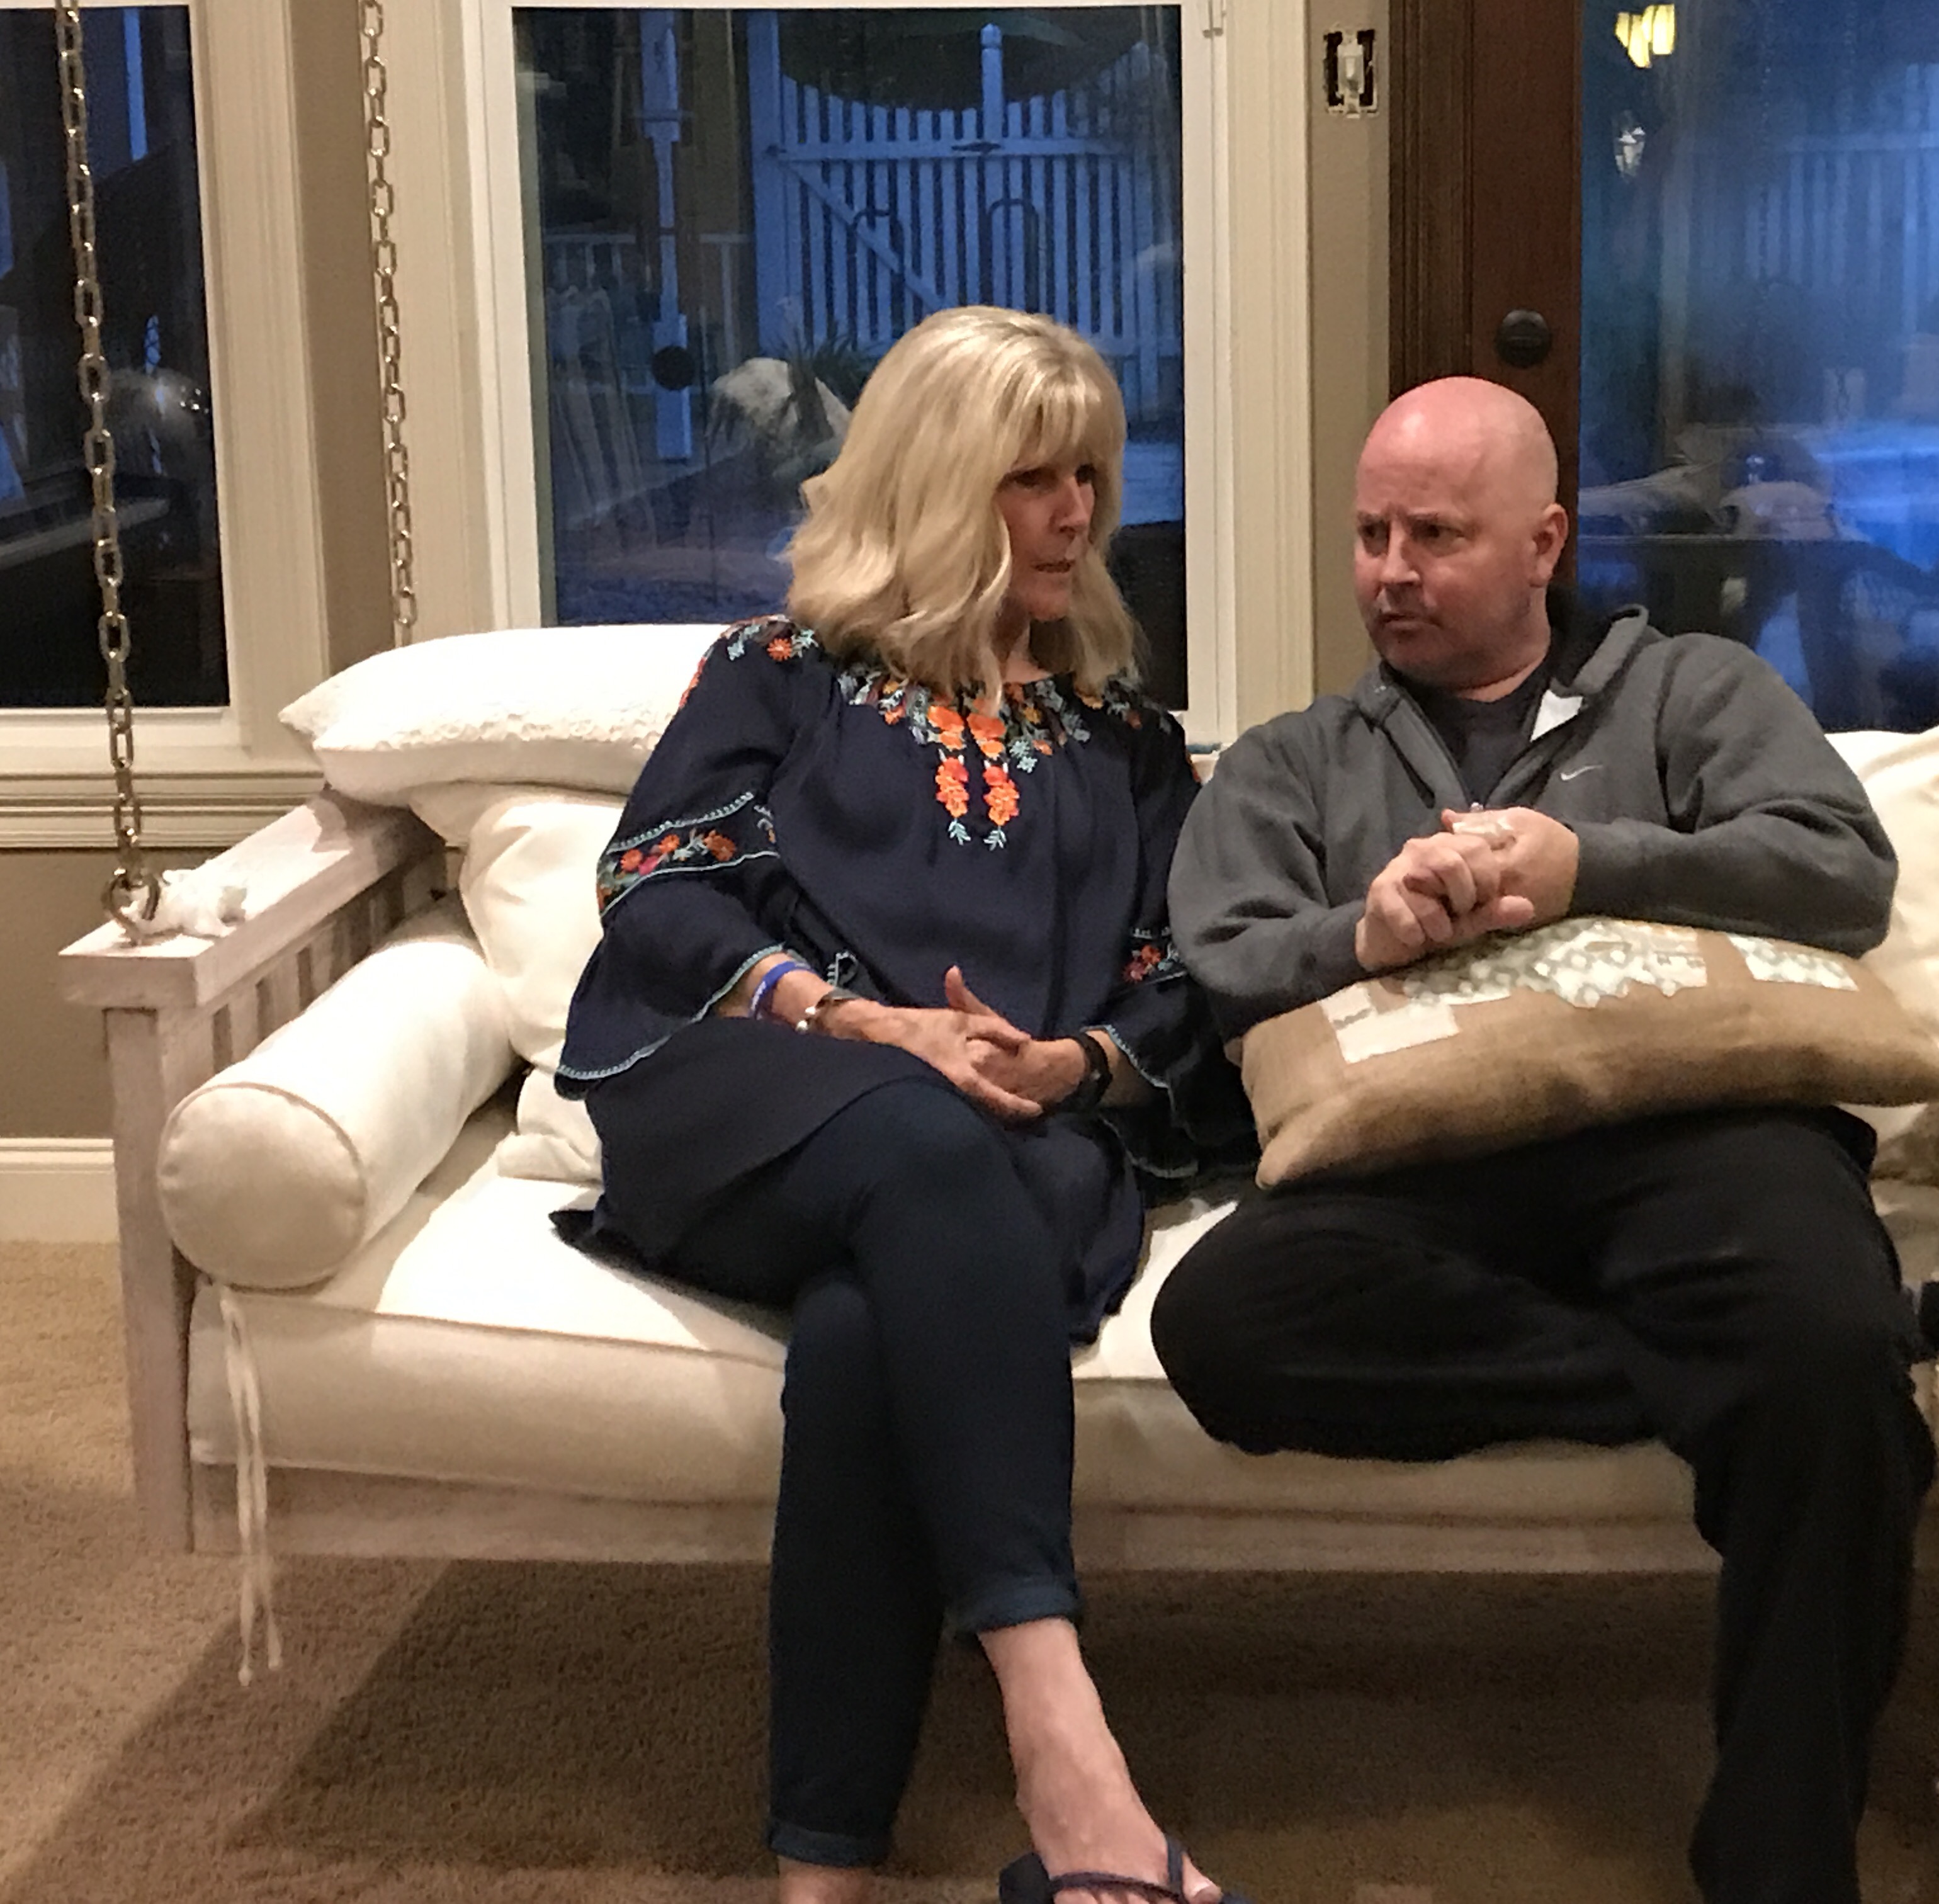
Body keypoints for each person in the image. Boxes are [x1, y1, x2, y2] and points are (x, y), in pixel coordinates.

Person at [1157, 376, 1939, 1904]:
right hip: (1415, 1157)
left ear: (1545, 543)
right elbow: (1226, 959)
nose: (1391, 570)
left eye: (1436, 536)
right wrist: (1366, 929)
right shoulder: (1294, 760)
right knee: (1227, 1326)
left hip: (1702, 1134)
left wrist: (1592, 864)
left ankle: (1781, 1863)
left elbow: (1842, 876)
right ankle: (1719, 1375)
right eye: (1372, 536)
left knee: (1828, 1348)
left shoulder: (1692, 693)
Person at [556, 307, 1250, 1904]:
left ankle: (823, 1868)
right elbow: (658, 886)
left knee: (870, 1329)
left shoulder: (1128, 742)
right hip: (769, 1101)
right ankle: (1063, 1737)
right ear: (937, 483)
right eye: (1033, 478)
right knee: (917, 1133)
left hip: (1017, 1141)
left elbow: (1180, 979)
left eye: (1090, 474)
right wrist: (859, 1020)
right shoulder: (779, 678)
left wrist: (1072, 1064)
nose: (1080, 511)